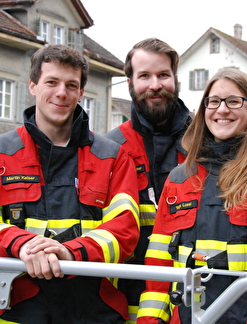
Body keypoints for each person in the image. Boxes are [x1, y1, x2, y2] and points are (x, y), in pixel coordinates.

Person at [0, 44, 140, 324]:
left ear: (81, 93)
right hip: (20, 308)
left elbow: (125, 230)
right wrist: (24, 245)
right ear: (32, 85)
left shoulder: (113, 157)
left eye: (71, 85)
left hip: (96, 309)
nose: (61, 93)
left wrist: (69, 252)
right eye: (51, 82)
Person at [137, 67, 247, 324]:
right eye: (214, 101)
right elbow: (158, 271)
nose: (222, 110)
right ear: (204, 109)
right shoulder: (178, 178)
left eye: (234, 101)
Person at [104, 37, 191, 323]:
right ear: (129, 82)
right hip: (128, 299)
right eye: (144, 76)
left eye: (163, 75)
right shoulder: (109, 150)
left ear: (175, 79)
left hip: (193, 298)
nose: (155, 85)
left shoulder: (205, 142)